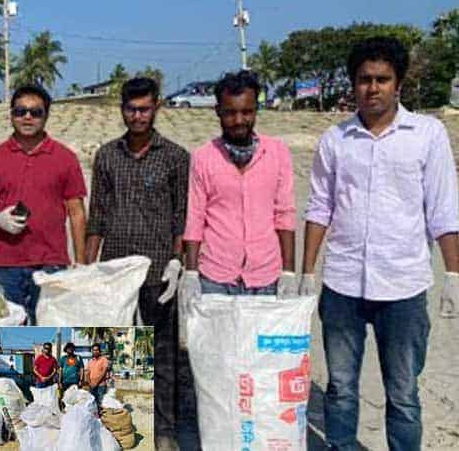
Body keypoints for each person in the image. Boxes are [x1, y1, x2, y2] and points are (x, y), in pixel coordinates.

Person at [302, 36, 459, 451]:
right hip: (342, 285)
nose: (373, 87)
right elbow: (320, 208)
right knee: (340, 388)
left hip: (404, 286)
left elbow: (444, 209)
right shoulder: (335, 140)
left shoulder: (427, 135)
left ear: (399, 84)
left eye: (382, 79)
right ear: (353, 85)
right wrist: (302, 273)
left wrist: (454, 275)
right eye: (364, 79)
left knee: (404, 395)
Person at [85, 77, 188, 450]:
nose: (137, 115)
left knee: (163, 354)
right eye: (131, 109)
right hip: (116, 272)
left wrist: (178, 261)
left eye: (144, 108)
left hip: (161, 271)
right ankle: (124, 427)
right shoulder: (108, 155)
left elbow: (182, 215)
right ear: (122, 110)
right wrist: (88, 268)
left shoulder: (176, 157)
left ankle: (164, 431)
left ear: (156, 108)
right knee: (120, 353)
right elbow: (96, 214)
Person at [0, 84, 87, 324]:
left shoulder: (65, 158)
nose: (28, 117)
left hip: (52, 264)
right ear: (11, 115)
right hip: (6, 265)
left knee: (50, 336)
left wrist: (81, 262)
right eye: (21, 111)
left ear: (46, 115)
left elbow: (76, 212)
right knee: (9, 341)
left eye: (36, 112)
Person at [180, 70, 297, 301]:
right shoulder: (203, 157)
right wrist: (191, 272)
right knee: (115, 333)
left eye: (247, 112)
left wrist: (288, 271)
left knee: (256, 338)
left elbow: (285, 214)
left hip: (265, 276)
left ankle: (123, 339)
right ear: (218, 112)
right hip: (215, 276)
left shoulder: (276, 153)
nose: (239, 120)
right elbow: (195, 217)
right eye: (230, 113)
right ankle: (102, 338)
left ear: (256, 110)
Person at [86, 344, 111, 409]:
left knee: (101, 403)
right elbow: (87, 373)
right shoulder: (90, 361)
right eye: (94, 350)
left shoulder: (104, 360)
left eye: (97, 350)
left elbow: (104, 372)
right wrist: (90, 383)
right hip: (91, 386)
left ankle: (101, 418)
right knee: (92, 403)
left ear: (99, 351)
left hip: (101, 386)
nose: (95, 351)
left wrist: (96, 382)